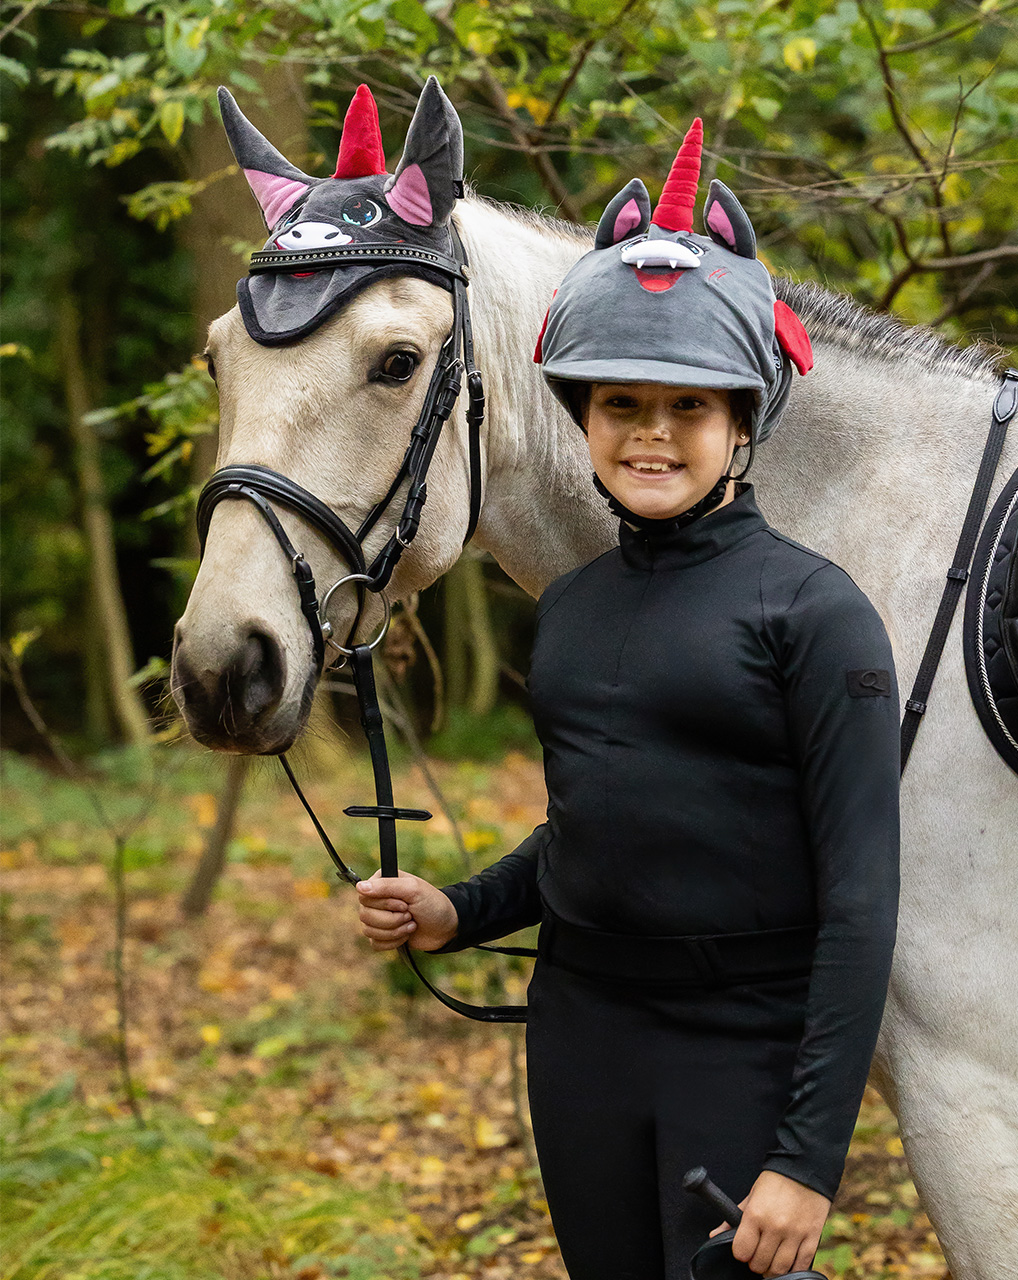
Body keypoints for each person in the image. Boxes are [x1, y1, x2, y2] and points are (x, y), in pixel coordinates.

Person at [355, 120, 900, 1280]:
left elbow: (860, 897)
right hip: (583, 1038)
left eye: (687, 407)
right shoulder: (574, 605)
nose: (651, 433)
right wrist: (464, 909)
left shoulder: (817, 613)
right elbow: (592, 821)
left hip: (740, 1046)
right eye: (620, 405)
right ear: (583, 416)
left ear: (741, 421)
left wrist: (808, 1159)